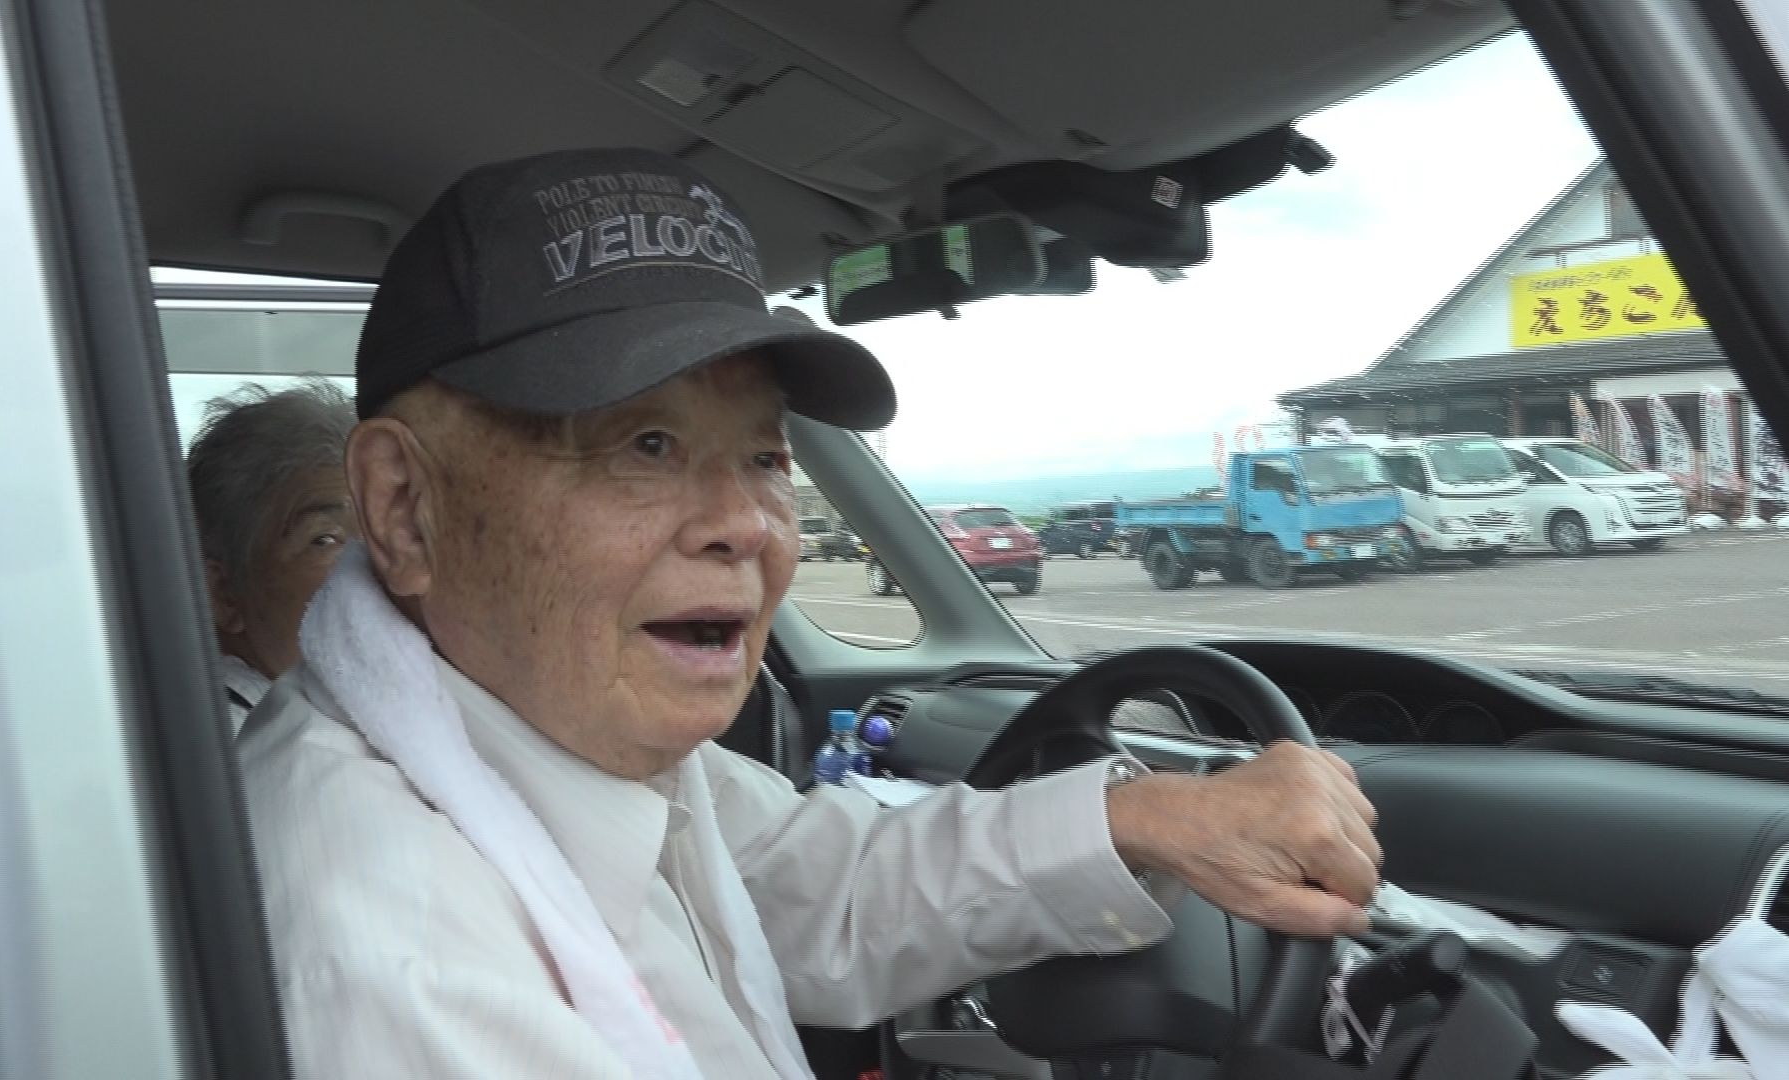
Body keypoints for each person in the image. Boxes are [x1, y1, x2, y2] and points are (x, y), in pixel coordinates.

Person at [239, 148, 1381, 1079]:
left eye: (764, 457)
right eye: (645, 445)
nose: (746, 524)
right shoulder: (401, 950)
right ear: (406, 507)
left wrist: (1147, 820)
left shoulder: (538, 734)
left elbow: (814, 883)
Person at [185, 379, 358, 732]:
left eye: (384, 537)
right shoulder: (231, 743)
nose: (379, 568)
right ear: (223, 593)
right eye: (325, 540)